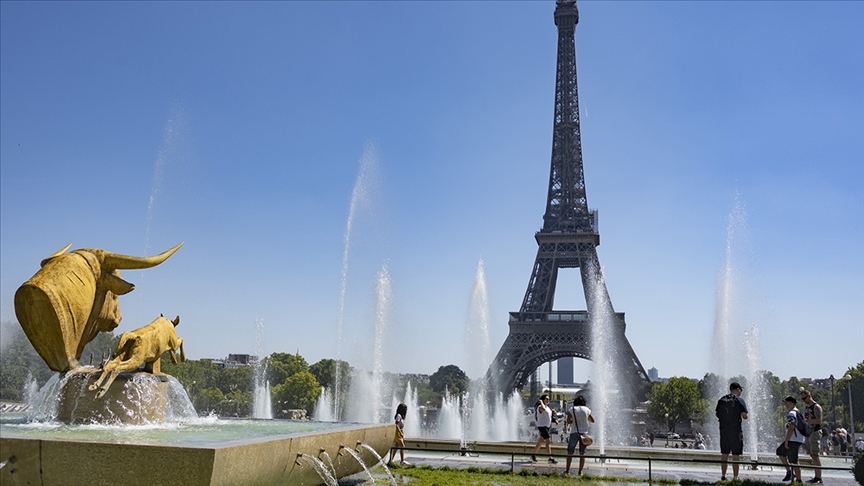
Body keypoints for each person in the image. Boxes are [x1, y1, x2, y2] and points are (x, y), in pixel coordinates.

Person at [716, 382, 749, 480]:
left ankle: (723, 475)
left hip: (724, 430)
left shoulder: (722, 399)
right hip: (735, 430)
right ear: (738, 389)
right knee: (735, 454)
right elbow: (745, 416)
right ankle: (735, 476)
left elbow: (717, 414)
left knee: (724, 453)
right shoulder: (739, 400)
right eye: (740, 390)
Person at [776, 396, 805, 483]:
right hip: (797, 438)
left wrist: (787, 440)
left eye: (786, 403)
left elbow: (791, 427)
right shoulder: (798, 412)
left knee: (794, 460)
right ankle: (790, 472)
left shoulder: (791, 413)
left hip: (793, 439)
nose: (785, 405)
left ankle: (799, 480)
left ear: (790, 403)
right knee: (780, 452)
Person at [564, 395, 595, 475]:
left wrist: (573, 421)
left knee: (570, 452)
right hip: (584, 434)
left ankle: (567, 471)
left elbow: (568, 421)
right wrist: (584, 419)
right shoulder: (587, 409)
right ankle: (580, 471)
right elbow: (592, 420)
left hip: (574, 432)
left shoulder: (572, 409)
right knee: (582, 453)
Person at [799, 388, 823, 483]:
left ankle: (819, 477)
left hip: (815, 432)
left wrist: (809, 421)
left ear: (809, 396)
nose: (803, 401)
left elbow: (819, 420)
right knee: (812, 455)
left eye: (804, 398)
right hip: (808, 433)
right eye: (802, 399)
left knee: (815, 455)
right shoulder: (807, 407)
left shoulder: (816, 407)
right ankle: (816, 476)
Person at [530, 394, 557, 463]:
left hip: (547, 426)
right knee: (548, 440)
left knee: (541, 441)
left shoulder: (547, 407)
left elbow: (548, 416)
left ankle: (533, 455)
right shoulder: (540, 407)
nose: (548, 400)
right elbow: (543, 409)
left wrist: (555, 420)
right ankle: (550, 458)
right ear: (543, 400)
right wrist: (541, 402)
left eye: (549, 399)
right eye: (546, 399)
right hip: (542, 426)